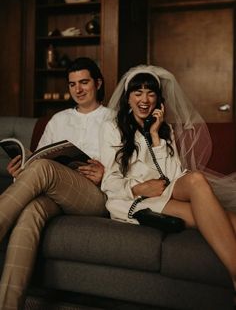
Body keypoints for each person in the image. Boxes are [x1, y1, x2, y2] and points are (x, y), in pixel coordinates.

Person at [99, 64, 236, 291]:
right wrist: (139, 188)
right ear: (128, 98)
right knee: (228, 220)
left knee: (196, 179)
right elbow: (108, 181)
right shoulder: (113, 128)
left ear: (158, 99)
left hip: (166, 189)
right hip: (135, 199)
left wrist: (155, 136)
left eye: (151, 93)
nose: (145, 99)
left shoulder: (164, 130)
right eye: (138, 93)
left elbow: (173, 176)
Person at [0, 57, 114, 310]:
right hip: (55, 194)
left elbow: (128, 166)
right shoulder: (58, 120)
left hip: (93, 196)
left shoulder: (114, 118)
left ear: (98, 83)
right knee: (30, 212)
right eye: (72, 84)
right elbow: (39, 160)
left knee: (42, 169)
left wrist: (105, 173)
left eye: (84, 82)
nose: (78, 89)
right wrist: (20, 170)